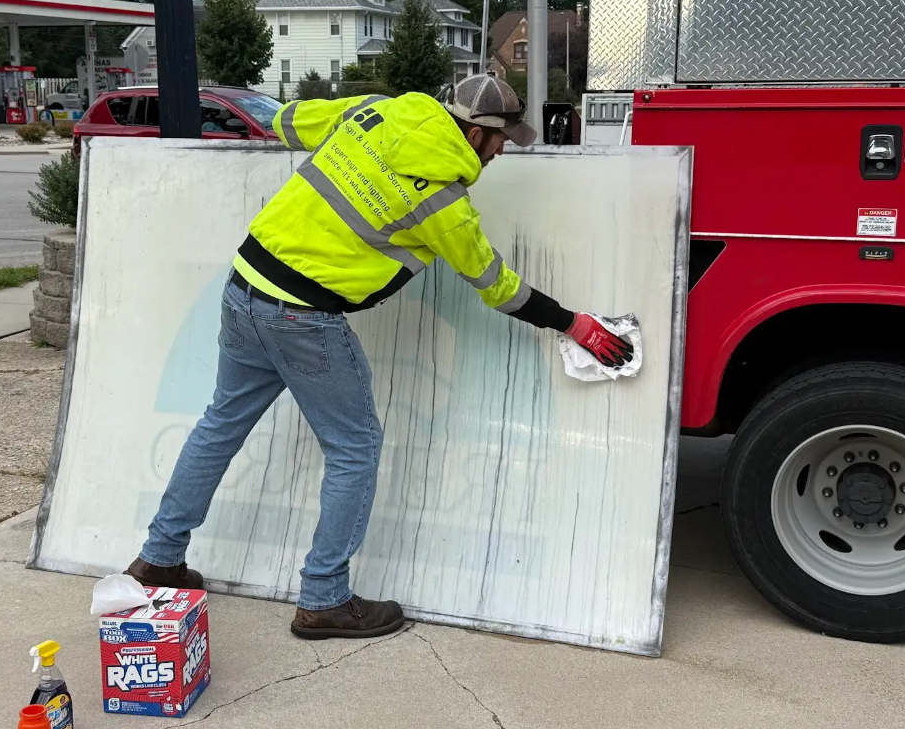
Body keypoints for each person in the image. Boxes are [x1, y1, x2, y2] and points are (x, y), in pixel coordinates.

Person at [125, 74, 634, 640]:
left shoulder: (377, 111)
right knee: (354, 448)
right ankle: (324, 597)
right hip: (302, 317)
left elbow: (286, 122)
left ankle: (158, 559)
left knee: (221, 424)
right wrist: (572, 323)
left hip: (244, 287)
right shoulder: (443, 202)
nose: (501, 152)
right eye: (501, 140)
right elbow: (496, 286)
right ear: (475, 134)